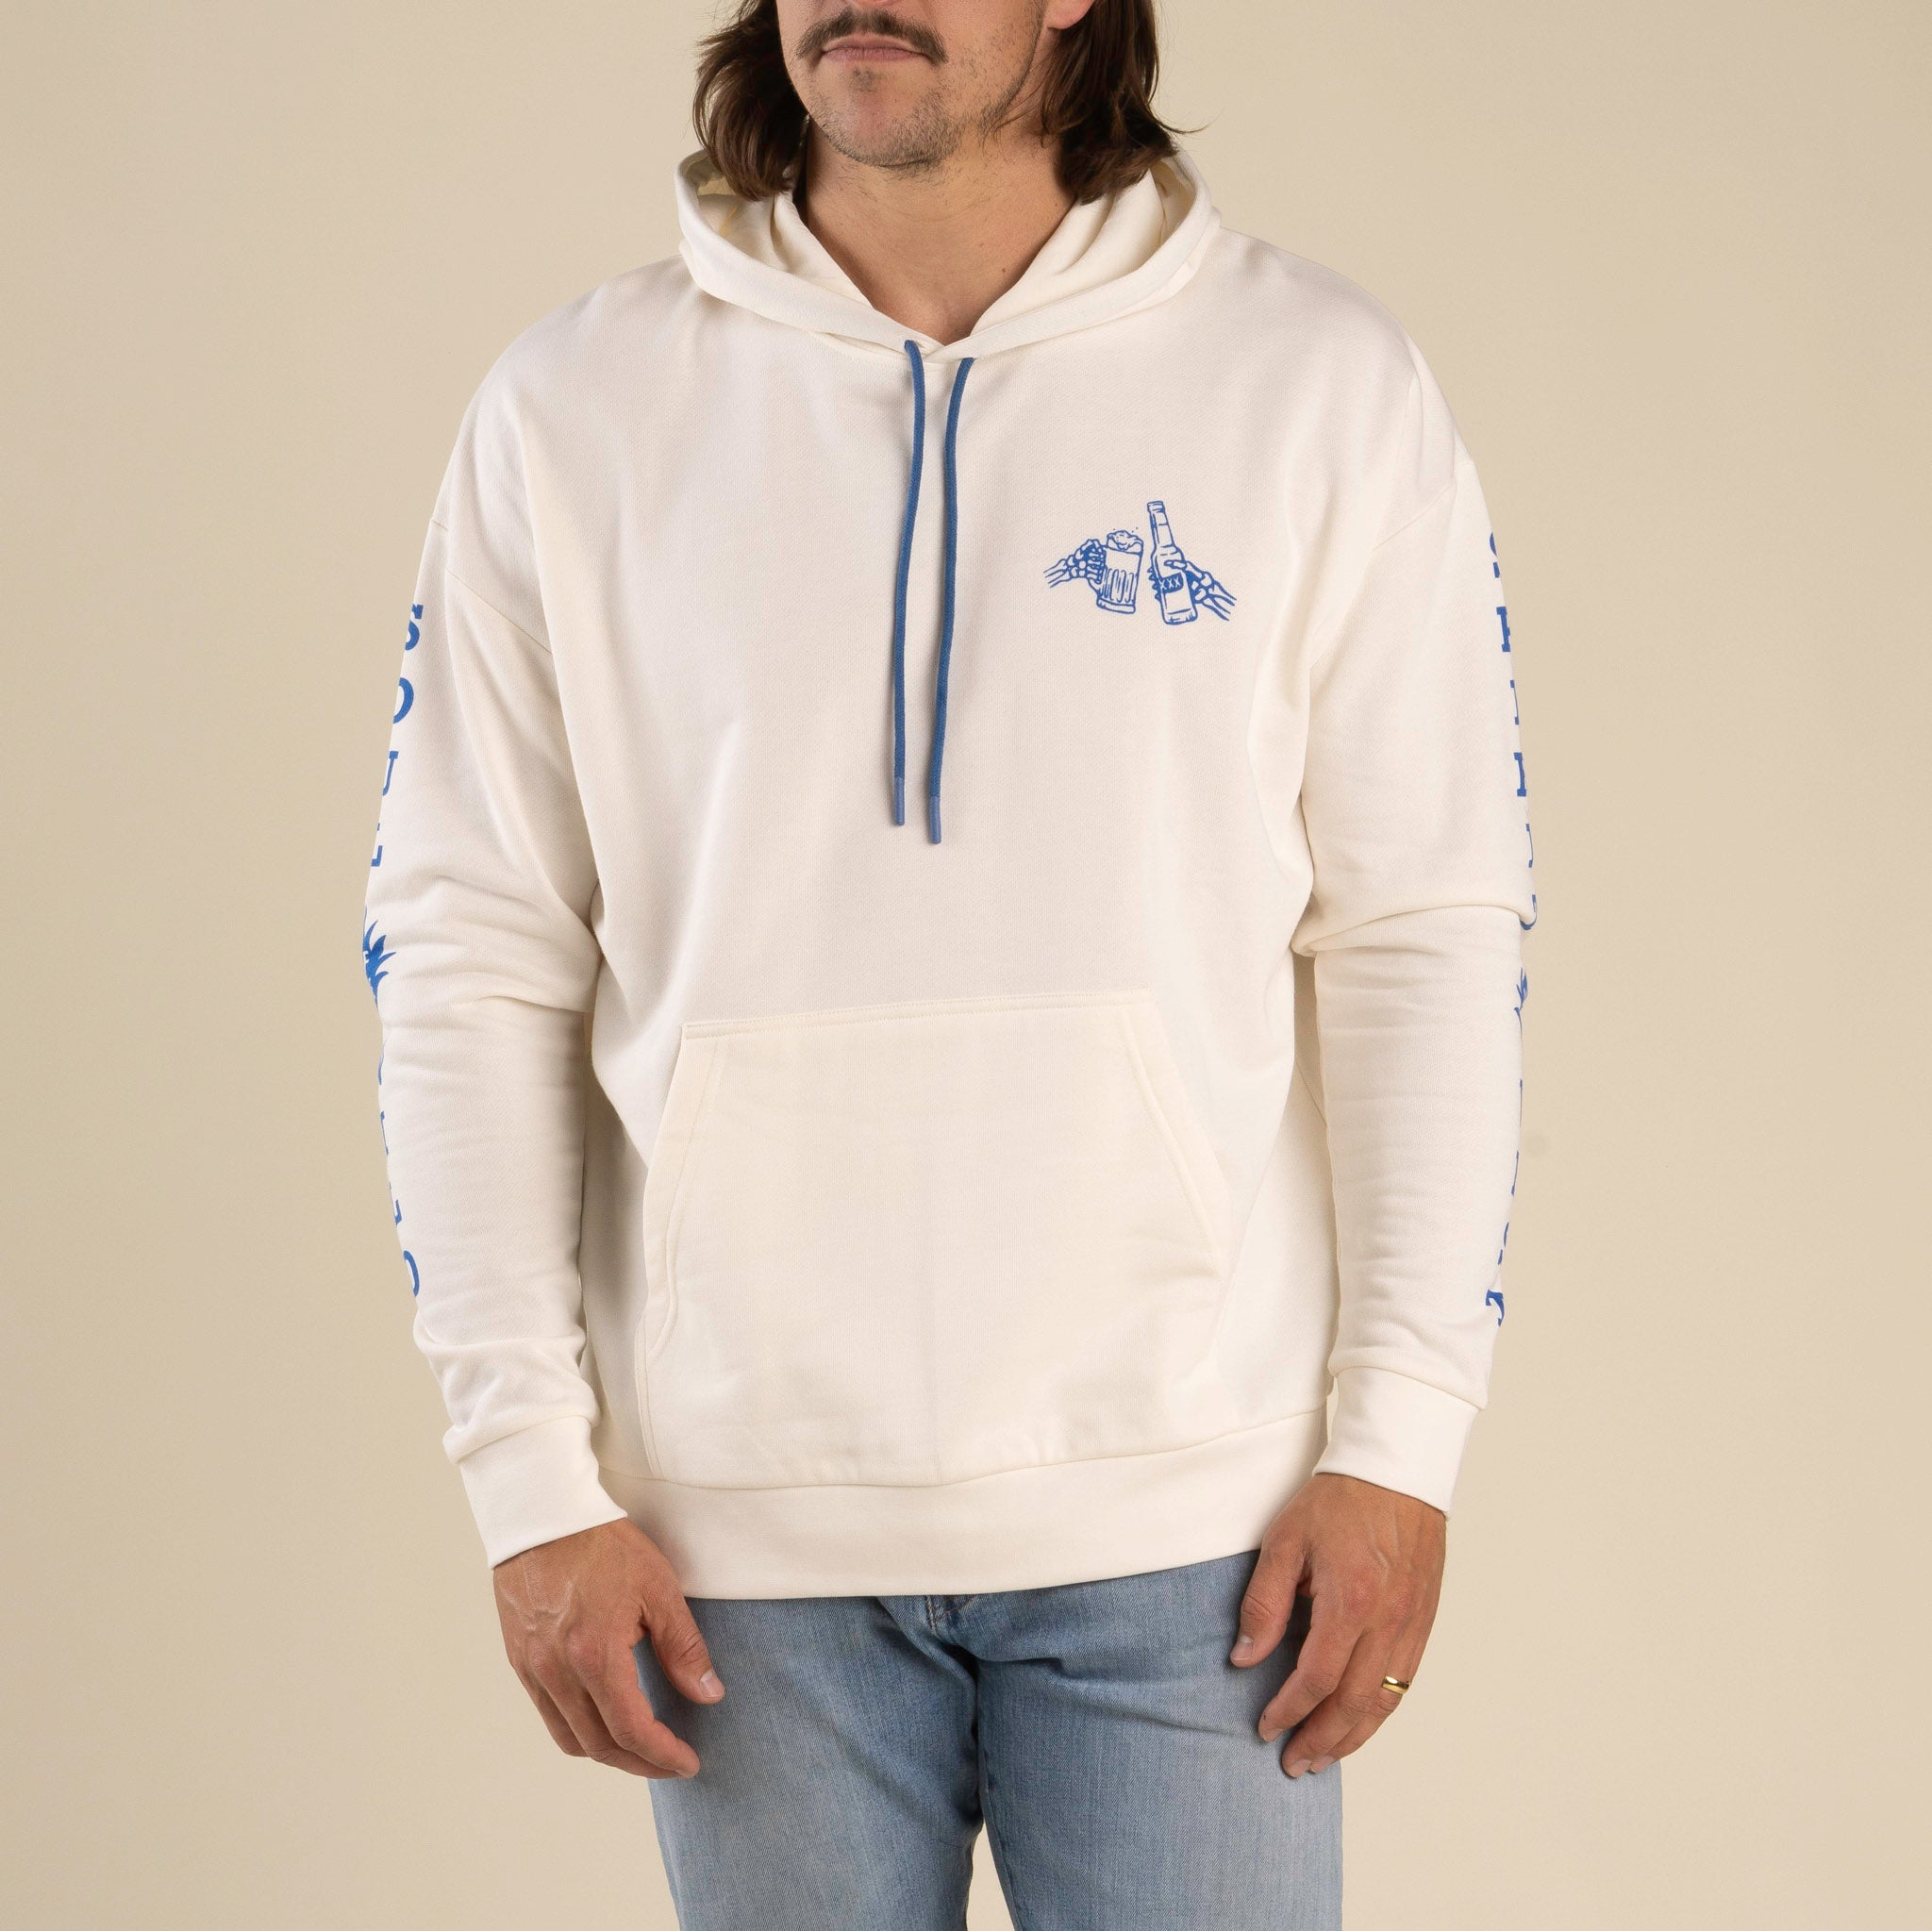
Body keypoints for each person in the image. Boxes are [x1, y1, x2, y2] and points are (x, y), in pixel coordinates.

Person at [360, 2, 1535, 1923]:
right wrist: (527, 1477)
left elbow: (1424, 929)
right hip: (736, 1541)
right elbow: (467, 948)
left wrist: (1401, 1444)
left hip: (1200, 1522)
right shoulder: (573, 410)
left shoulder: (1317, 385)